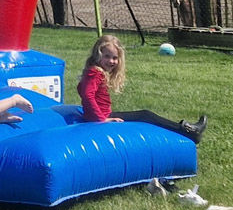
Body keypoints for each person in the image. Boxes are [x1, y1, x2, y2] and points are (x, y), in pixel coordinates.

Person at [77, 34, 206, 143]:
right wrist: (102, 119)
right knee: (146, 115)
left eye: (115, 58)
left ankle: (186, 130)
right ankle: (188, 131)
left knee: (145, 115)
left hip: (101, 115)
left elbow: (82, 89)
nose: (111, 61)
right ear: (98, 55)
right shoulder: (95, 73)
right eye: (107, 56)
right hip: (100, 118)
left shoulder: (94, 72)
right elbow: (87, 95)